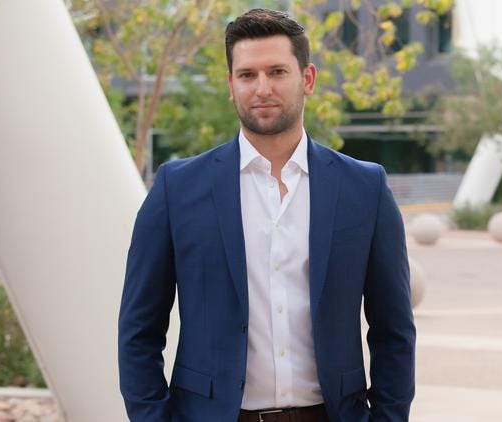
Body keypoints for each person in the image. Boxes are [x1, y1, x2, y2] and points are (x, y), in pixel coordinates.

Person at [118, 8, 415, 422]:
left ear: (306, 79)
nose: (262, 88)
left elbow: (393, 330)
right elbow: (138, 330)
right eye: (247, 75)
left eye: (277, 72)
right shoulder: (176, 189)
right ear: (230, 84)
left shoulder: (364, 189)